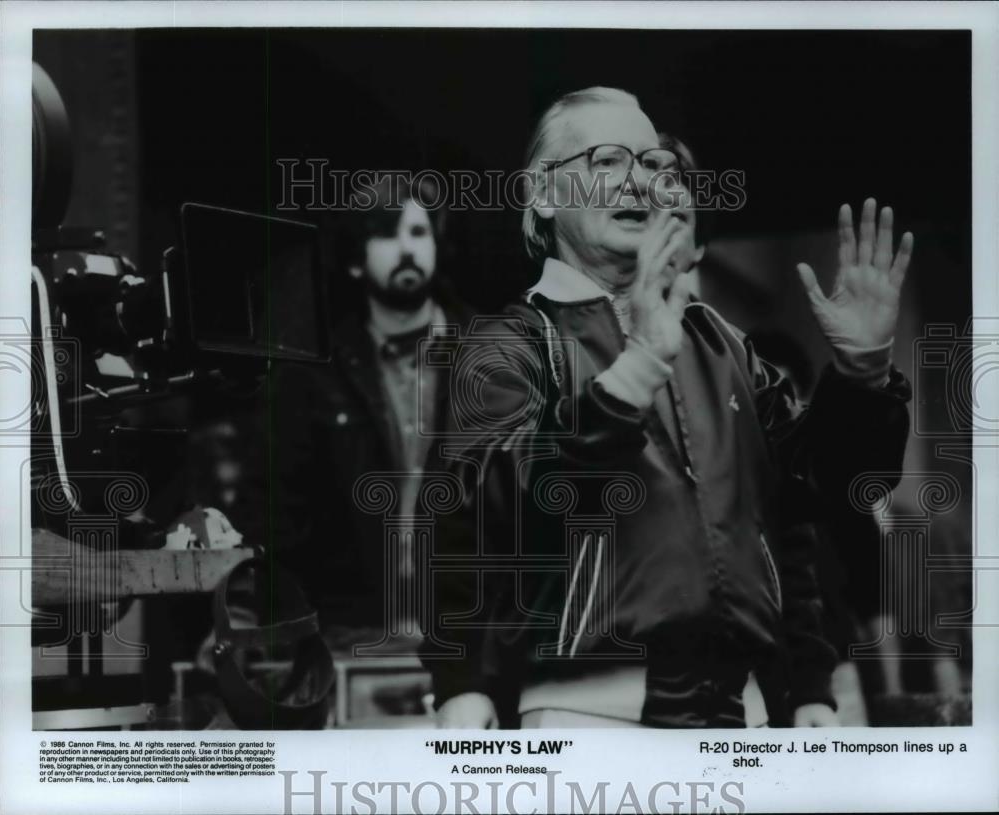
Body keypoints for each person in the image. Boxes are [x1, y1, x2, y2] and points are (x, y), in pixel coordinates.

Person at [421, 86, 913, 729]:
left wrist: (861, 376)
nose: (638, 182)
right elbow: (483, 516)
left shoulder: (723, 344)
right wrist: (464, 681)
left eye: (651, 164)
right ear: (542, 193)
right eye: (606, 162)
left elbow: (805, 509)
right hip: (586, 709)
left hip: (747, 711)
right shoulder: (507, 344)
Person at [269, 174, 471, 647]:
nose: (406, 248)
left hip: (466, 630)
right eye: (386, 232)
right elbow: (281, 509)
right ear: (356, 262)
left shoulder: (489, 357)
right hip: (355, 631)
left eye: (418, 233)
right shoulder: (315, 373)